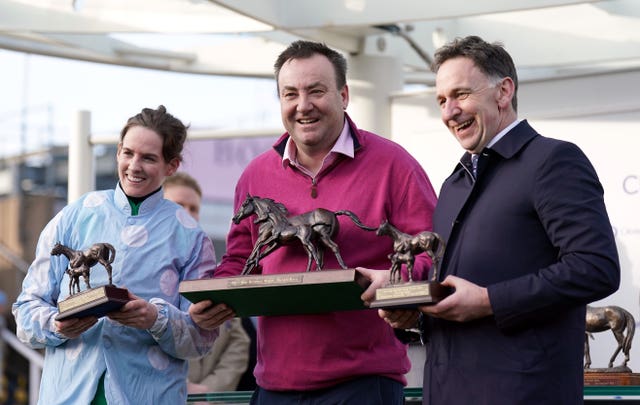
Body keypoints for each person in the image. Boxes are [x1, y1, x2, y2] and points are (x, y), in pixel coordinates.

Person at [363, 35, 620, 404]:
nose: (449, 111)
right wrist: (412, 311)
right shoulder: (454, 183)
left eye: (461, 94)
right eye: (441, 100)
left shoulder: (553, 160)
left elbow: (597, 267)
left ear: (503, 91)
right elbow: (454, 295)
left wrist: (490, 301)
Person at [189, 40, 438, 404]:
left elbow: (432, 251)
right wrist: (216, 298)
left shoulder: (395, 165)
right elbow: (241, 260)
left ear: (344, 95)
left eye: (316, 91)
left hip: (364, 385)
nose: (303, 106)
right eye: (290, 94)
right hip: (274, 387)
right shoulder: (255, 175)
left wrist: (398, 281)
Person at [12, 105, 233, 405]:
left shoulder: (192, 238)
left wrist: (156, 319)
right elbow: (26, 310)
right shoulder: (73, 217)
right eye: (128, 153)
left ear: (172, 165)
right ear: (117, 152)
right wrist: (56, 324)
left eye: (149, 158)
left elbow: (202, 338)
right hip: (65, 394)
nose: (134, 165)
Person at [163, 172, 251, 393]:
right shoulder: (140, 270)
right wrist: (178, 387)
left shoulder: (212, 270)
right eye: (179, 205)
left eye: (193, 208)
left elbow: (238, 342)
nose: (188, 213)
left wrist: (208, 390)